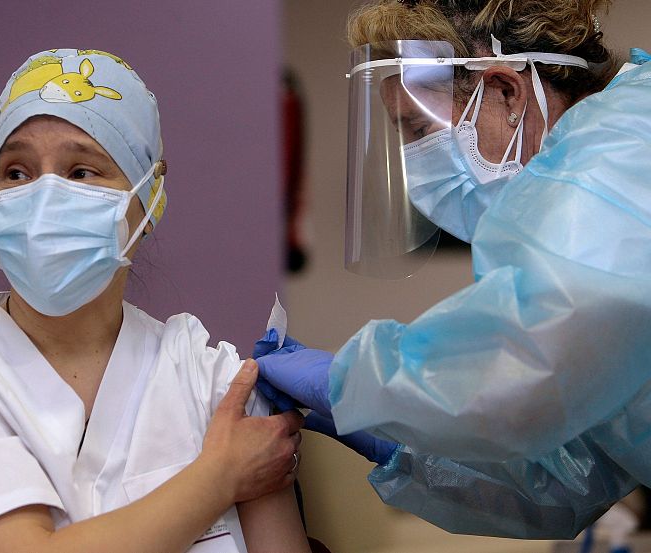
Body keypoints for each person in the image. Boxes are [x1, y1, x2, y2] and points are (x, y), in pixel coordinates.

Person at [0, 49, 309, 553]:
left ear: (147, 206)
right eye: (16, 172)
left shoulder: (209, 380)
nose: (44, 197)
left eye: (82, 172)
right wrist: (221, 476)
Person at [255, 0, 651, 540]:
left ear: (507, 91)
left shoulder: (623, 145)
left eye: (419, 128)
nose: (416, 162)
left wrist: (354, 383)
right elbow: (568, 474)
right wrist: (398, 444)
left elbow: (529, 364)